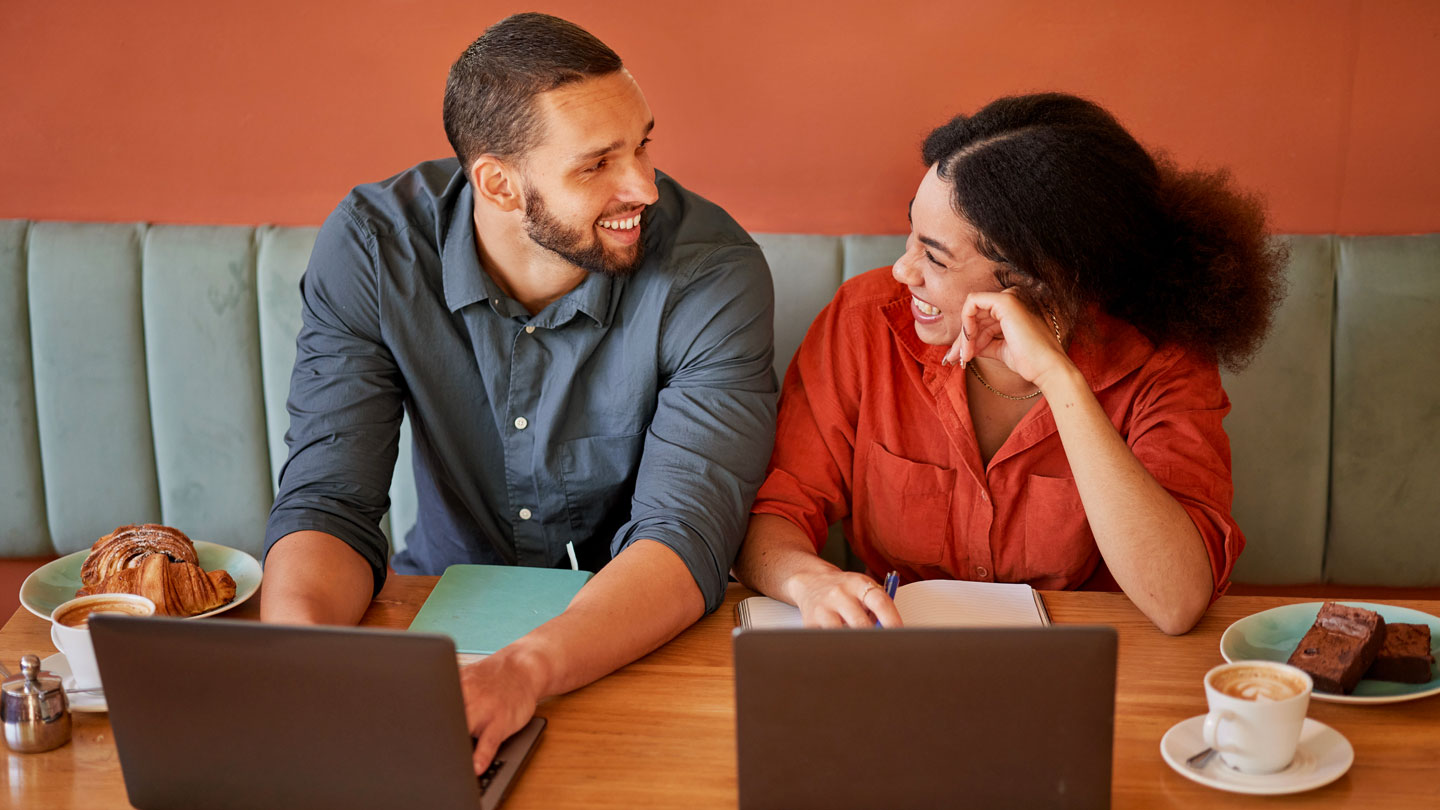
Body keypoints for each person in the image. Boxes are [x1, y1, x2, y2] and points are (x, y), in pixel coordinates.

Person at [260, 13, 776, 772]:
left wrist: (524, 669)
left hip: (642, 634)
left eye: (642, 145)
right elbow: (329, 499)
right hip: (435, 613)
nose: (644, 185)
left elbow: (685, 532)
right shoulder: (375, 246)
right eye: (597, 164)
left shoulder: (713, 271)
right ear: (499, 184)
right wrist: (299, 663)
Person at [733, 93, 1286, 636]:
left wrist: (1058, 378)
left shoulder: (1163, 361)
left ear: (1040, 279)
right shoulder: (865, 322)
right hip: (898, 655)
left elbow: (1177, 602)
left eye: (935, 256)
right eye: (912, 236)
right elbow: (772, 513)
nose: (904, 271)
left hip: (1084, 673)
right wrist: (808, 580)